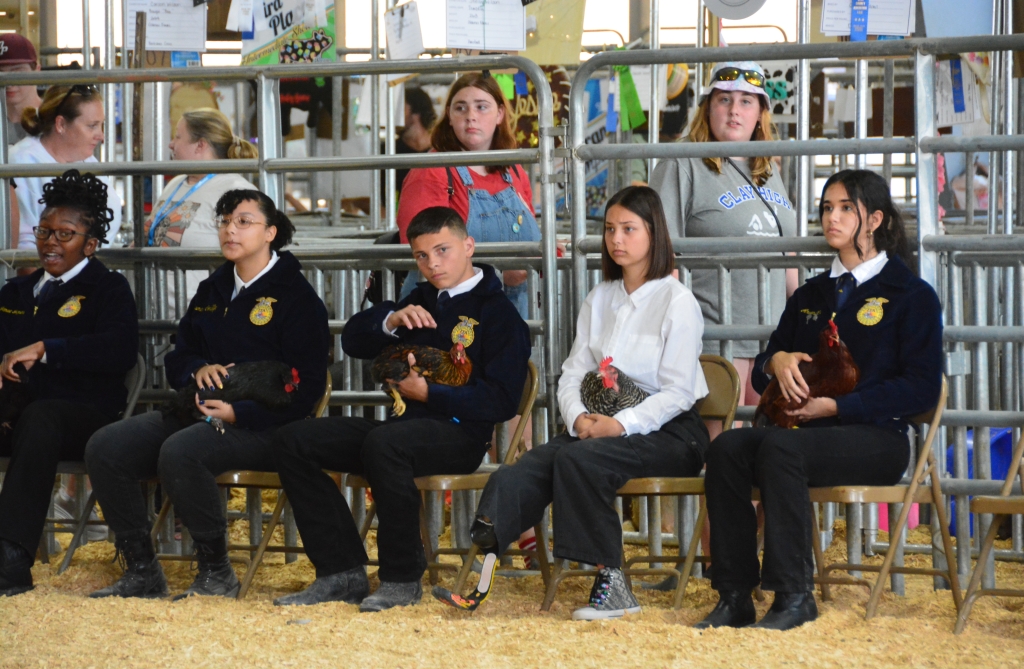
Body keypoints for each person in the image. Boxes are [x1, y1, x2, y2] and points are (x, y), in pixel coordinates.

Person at [435, 186, 710, 620]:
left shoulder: (677, 301)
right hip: (597, 425)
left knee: (580, 461)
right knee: (526, 468)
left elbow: (677, 393)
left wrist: (618, 426)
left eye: (629, 229)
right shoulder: (600, 297)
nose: (616, 239)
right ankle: (485, 560)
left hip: (669, 432)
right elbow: (572, 373)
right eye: (609, 229)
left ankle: (615, 583)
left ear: (654, 235)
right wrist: (578, 417)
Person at [697, 169, 942, 631]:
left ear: (875, 220)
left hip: (876, 436)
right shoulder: (812, 293)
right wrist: (779, 361)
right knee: (727, 447)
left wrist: (838, 407)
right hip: (803, 436)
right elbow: (772, 353)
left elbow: (922, 387)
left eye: (845, 208)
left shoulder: (910, 295)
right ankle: (734, 594)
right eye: (827, 208)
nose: (832, 217)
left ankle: (793, 594)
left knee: (778, 448)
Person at [270, 206, 530, 613]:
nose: (433, 264)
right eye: (421, 256)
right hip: (402, 429)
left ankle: (401, 577)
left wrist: (430, 394)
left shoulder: (498, 315)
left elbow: (502, 400)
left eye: (442, 250)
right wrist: (389, 319)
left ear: (469, 246)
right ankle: (341, 571)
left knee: (386, 444)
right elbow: (354, 342)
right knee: (293, 439)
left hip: (461, 434)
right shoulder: (420, 299)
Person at [85, 189, 329, 601]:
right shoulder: (213, 289)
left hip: (266, 425)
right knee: (106, 446)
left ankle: (216, 571)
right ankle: (142, 569)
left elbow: (305, 389)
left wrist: (240, 412)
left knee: (182, 451)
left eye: (244, 221)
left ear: (271, 232)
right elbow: (178, 354)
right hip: (197, 411)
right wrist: (197, 368)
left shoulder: (297, 298)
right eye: (224, 221)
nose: (230, 230)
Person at [0, 170, 138, 596]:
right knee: (32, 419)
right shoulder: (14, 292)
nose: (50, 242)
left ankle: (11, 559)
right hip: (17, 414)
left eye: (65, 234)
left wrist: (48, 348)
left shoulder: (108, 289)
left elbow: (118, 352)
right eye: (44, 231)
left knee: (42, 418)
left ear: (91, 245)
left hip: (85, 416)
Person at [649, 61, 796, 424]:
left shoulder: (769, 168)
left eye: (747, 101)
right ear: (707, 107)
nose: (734, 110)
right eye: (724, 99)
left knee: (759, 448)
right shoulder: (681, 163)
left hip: (770, 338)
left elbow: (787, 251)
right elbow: (660, 251)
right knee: (722, 448)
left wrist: (800, 320)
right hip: (713, 334)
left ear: (761, 112)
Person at [395, 72, 539, 319]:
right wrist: (500, 273)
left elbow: (531, 232)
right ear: (449, 116)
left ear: (500, 115)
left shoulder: (514, 169)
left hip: (516, 309)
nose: (471, 116)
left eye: (482, 107)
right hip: (447, 313)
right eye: (461, 108)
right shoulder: (432, 171)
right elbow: (421, 248)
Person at [144, 108, 258, 308]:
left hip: (202, 319)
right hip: (158, 316)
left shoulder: (236, 190)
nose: (171, 144)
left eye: (178, 136)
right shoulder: (176, 183)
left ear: (200, 145)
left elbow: (254, 258)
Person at [11, 84, 123, 252]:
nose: (101, 136)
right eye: (92, 126)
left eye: (101, 125)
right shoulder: (21, 162)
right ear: (61, 124)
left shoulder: (88, 161)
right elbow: (24, 243)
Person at [380, 86, 436, 204]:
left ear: (416, 110)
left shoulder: (441, 149)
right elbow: (381, 200)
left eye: (400, 108)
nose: (392, 114)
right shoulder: (388, 150)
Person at [0, 33, 42, 147]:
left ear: (37, 71)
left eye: (18, 72)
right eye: (1, 73)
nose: (9, 84)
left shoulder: (56, 120)